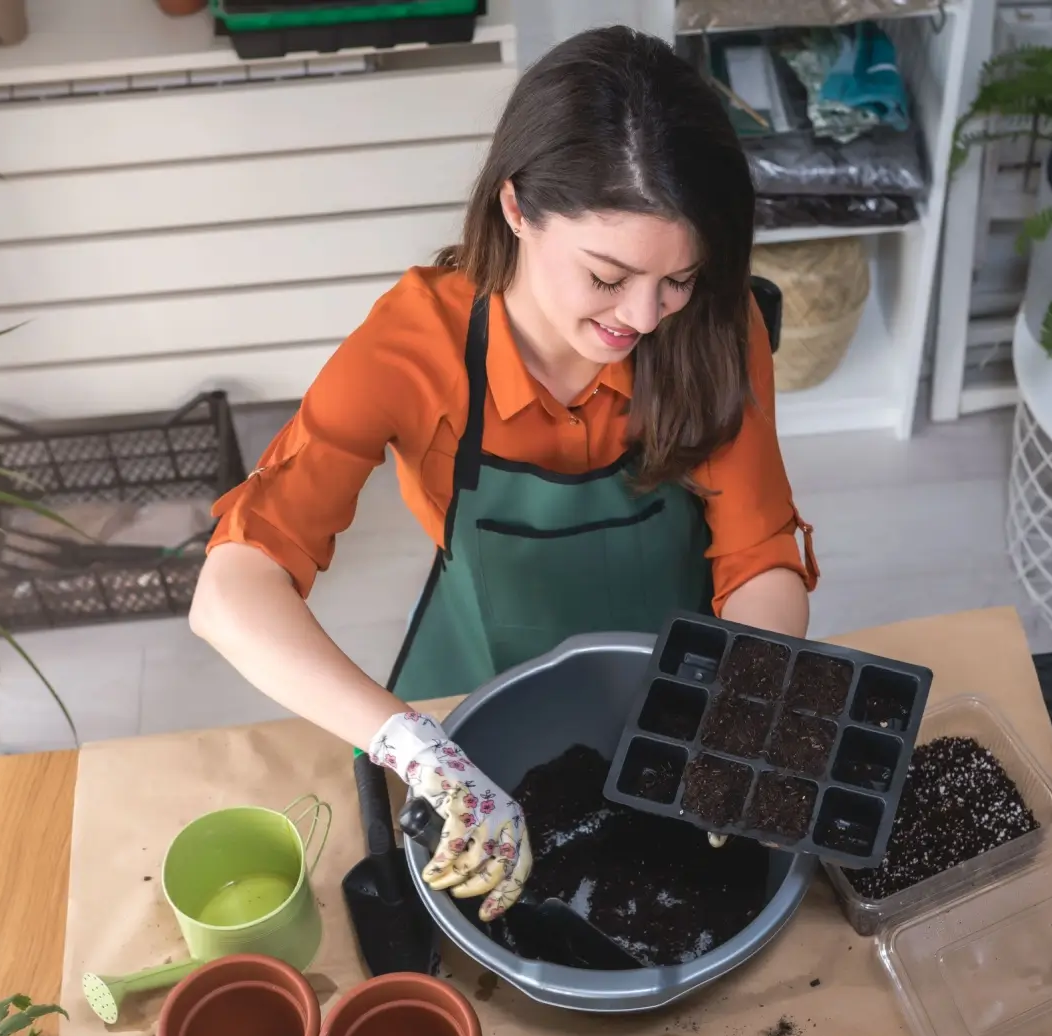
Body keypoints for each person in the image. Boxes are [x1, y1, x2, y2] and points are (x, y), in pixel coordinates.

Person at [191, 26, 818, 923]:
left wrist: (740, 712)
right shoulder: (415, 345)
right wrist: (415, 747)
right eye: (608, 275)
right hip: (480, 679)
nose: (643, 316)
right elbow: (230, 592)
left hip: (675, 668)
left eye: (678, 278)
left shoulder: (714, 327)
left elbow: (760, 560)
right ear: (517, 209)